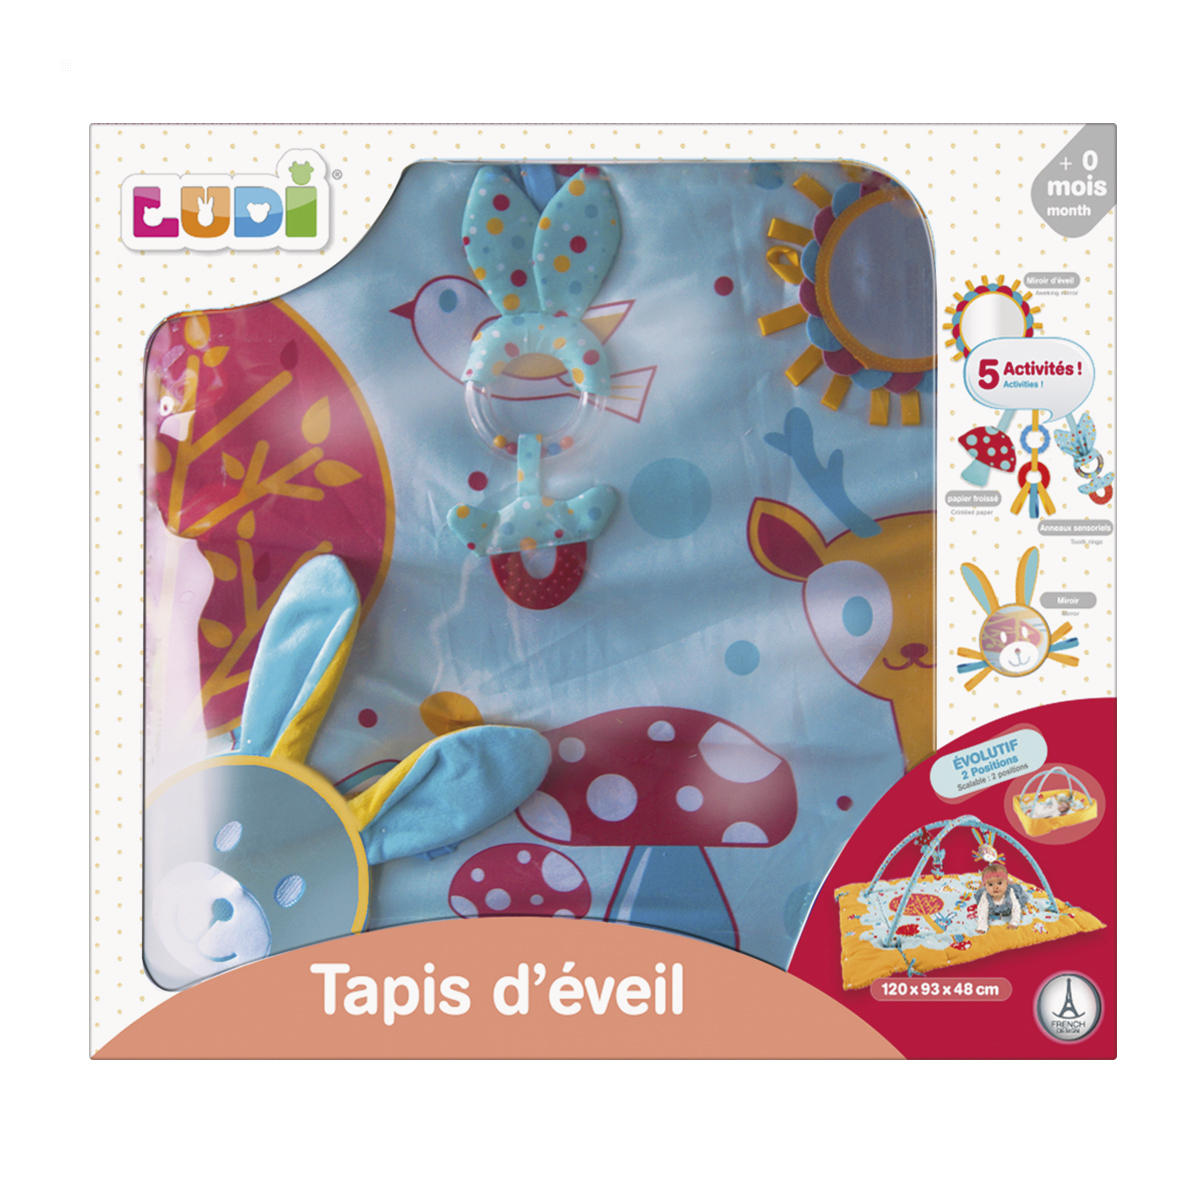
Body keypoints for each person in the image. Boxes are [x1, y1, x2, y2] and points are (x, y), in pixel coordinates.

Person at [974, 858, 1030, 934]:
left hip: (1008, 898)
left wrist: (1014, 922)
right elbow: (982, 912)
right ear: (986, 886)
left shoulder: (1010, 893)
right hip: (990, 902)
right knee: (979, 893)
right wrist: (982, 927)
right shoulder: (985, 896)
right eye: (990, 884)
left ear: (1006, 883)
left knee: (1017, 890)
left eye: (999, 883)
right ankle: (982, 884)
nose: (995, 887)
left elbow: (1016, 908)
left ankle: (1010, 882)